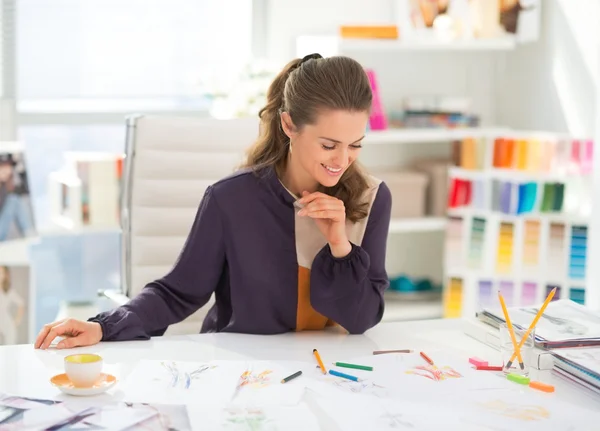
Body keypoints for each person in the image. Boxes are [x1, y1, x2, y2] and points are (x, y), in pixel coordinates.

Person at [34, 53, 392, 350]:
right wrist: (103, 327)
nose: (342, 160)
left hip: (329, 374)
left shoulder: (371, 199)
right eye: (329, 145)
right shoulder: (231, 199)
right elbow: (177, 293)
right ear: (288, 125)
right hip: (240, 372)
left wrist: (340, 246)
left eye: (355, 145)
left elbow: (361, 320)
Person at [0, 265, 25, 345]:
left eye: (1, 273)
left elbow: (21, 303)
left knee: (9, 346)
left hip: (6, 322)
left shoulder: (8, 291)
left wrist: (17, 321)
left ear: (5, 275)